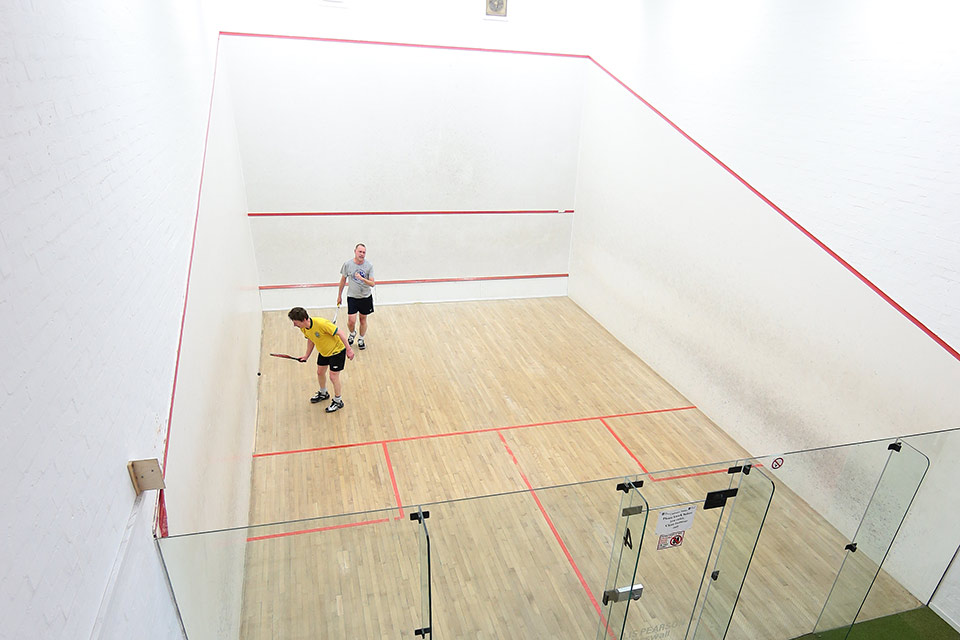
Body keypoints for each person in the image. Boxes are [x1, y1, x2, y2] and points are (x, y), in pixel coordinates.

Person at [288, 306, 355, 413]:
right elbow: (311, 340)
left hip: (337, 351)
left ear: (304, 319)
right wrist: (306, 356)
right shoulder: (303, 328)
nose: (294, 325)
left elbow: (340, 333)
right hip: (324, 352)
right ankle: (323, 393)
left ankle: (338, 401)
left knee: (333, 377)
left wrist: (349, 349)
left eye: (296, 322)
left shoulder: (322, 324)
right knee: (320, 372)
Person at [337, 243, 376, 350]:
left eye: (364, 252)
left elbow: (372, 283)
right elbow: (343, 280)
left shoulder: (369, 266)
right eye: (360, 252)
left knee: (363, 320)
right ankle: (352, 333)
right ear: (355, 251)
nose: (362, 254)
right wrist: (339, 295)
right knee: (351, 321)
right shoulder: (348, 264)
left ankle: (361, 339)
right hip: (352, 297)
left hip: (365, 297)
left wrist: (362, 279)